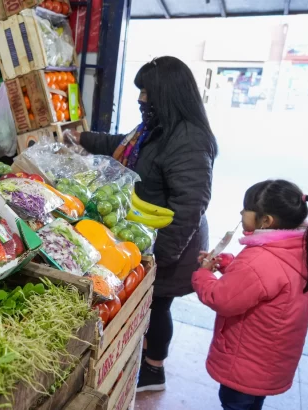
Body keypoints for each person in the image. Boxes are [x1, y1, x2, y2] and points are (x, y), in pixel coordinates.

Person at [70, 56, 218, 391]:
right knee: (150, 303)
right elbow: (123, 144)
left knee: (158, 303)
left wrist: (160, 256)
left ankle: (154, 371)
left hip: (172, 239)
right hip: (149, 232)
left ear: (166, 94)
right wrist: (84, 139)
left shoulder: (189, 139)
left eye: (147, 93)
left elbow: (190, 205)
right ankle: (147, 360)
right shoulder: (157, 129)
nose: (141, 100)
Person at [192, 180, 308, 410]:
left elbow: (222, 298)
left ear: (266, 221)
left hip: (246, 363)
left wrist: (202, 275)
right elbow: (262, 283)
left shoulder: (259, 260)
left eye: (246, 209)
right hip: (271, 361)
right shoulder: (299, 249)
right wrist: (227, 264)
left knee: (235, 404)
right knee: (253, 404)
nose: (241, 212)